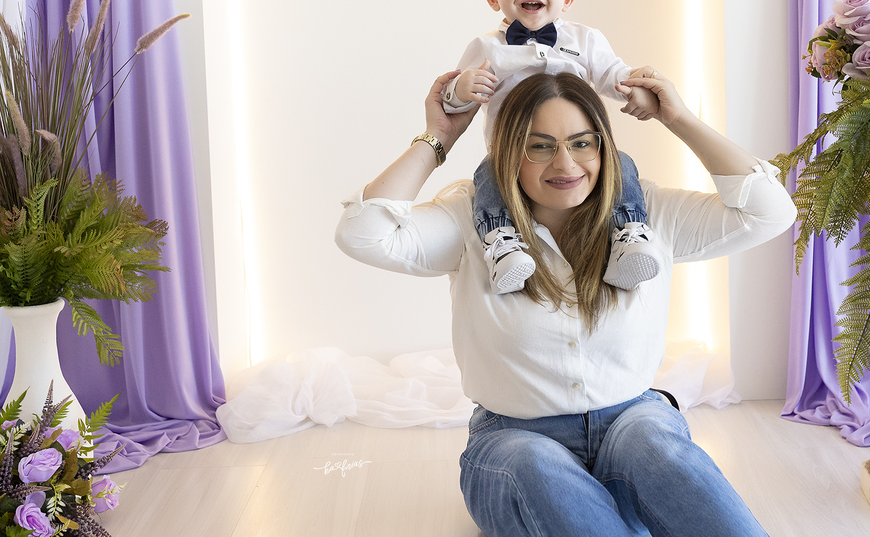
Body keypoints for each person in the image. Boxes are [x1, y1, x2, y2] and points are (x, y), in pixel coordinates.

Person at [335, 70, 796, 537]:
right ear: (508, 152)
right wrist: (438, 138)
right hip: (514, 437)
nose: (565, 163)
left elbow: (771, 211)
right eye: (539, 146)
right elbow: (362, 233)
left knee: (655, 443)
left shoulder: (647, 216)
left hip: (632, 421)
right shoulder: (469, 220)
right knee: (534, 462)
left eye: (582, 143)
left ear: (603, 147)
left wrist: (679, 119)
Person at [443, 0, 664, 295]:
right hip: (515, 155)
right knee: (487, 175)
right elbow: (452, 103)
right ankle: (502, 243)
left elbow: (614, 74)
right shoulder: (486, 48)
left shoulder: (585, 40)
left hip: (575, 148)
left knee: (620, 163)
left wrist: (637, 87)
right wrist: (461, 89)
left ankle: (629, 235)